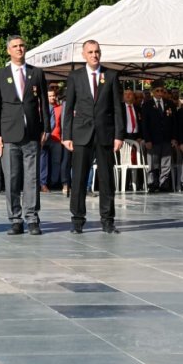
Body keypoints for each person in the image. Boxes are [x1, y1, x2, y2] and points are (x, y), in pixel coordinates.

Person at [61, 40, 124, 234]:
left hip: (105, 135)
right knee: (79, 179)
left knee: (106, 180)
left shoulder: (111, 76)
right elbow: (69, 107)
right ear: (84, 55)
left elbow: (117, 108)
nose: (94, 55)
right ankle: (77, 221)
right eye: (90, 52)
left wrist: (119, 135)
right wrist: (66, 135)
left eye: (97, 52)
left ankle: (108, 221)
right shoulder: (75, 76)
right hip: (81, 134)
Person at [0, 35, 50, 236]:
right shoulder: (0, 75)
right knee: (13, 178)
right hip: (9, 134)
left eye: (22, 45)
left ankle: (32, 218)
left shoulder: (36, 73)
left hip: (32, 133)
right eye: (15, 46)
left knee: (32, 178)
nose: (19, 49)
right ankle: (15, 219)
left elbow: (44, 101)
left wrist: (46, 128)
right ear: (8, 50)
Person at [141, 80, 177, 192]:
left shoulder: (169, 104)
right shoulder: (147, 105)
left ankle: (164, 184)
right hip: (153, 139)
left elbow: (174, 122)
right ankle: (153, 184)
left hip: (166, 138)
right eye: (157, 91)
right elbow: (144, 124)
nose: (160, 93)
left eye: (162, 90)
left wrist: (174, 138)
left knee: (166, 163)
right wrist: (147, 139)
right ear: (153, 92)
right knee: (153, 163)